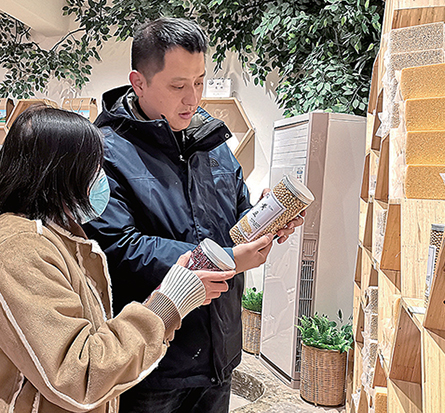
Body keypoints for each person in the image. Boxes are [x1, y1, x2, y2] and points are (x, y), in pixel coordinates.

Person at [0, 106, 238, 413]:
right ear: (60, 173)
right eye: (94, 168)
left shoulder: (56, 237)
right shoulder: (19, 251)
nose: (102, 181)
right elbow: (79, 377)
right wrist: (168, 304)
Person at [82, 17, 304, 412]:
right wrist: (224, 260)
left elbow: (235, 221)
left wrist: (266, 218)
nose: (193, 98)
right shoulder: (104, 151)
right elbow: (117, 247)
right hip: (153, 361)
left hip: (218, 352)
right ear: (138, 83)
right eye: (178, 86)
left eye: (200, 82)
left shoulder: (212, 142)